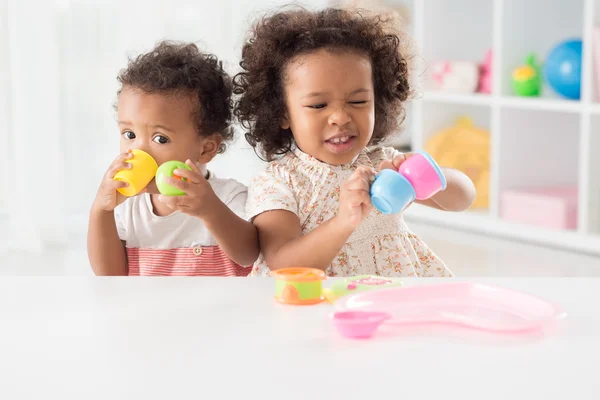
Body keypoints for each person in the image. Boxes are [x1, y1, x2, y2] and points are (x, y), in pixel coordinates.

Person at [234, 8, 475, 277]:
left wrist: (426, 176)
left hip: (390, 295)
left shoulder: (380, 162)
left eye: (358, 101)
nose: (340, 117)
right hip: (322, 303)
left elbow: (464, 198)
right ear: (282, 113)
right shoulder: (279, 181)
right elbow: (282, 261)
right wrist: (343, 222)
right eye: (318, 105)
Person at [88, 41, 258, 276]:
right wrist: (101, 211)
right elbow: (110, 276)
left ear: (206, 149)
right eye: (129, 134)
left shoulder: (228, 198)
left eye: (161, 139)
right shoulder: (129, 207)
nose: (140, 151)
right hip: (151, 313)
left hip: (219, 312)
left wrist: (210, 210)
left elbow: (249, 255)